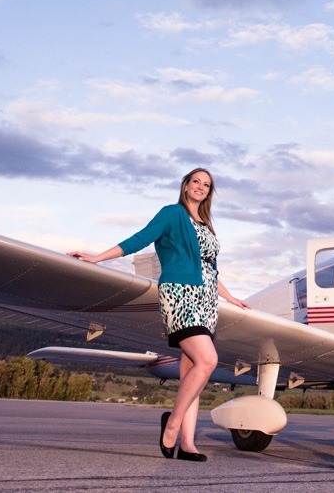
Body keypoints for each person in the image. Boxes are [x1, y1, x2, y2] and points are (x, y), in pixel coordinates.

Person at [68, 168, 249, 462]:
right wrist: (97, 257)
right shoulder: (172, 214)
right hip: (179, 295)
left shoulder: (206, 224)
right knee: (209, 361)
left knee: (194, 373)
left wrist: (229, 298)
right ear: (185, 185)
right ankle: (172, 425)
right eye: (196, 182)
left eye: (207, 184)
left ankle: (187, 445)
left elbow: (210, 269)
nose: (201, 187)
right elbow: (139, 239)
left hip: (205, 301)